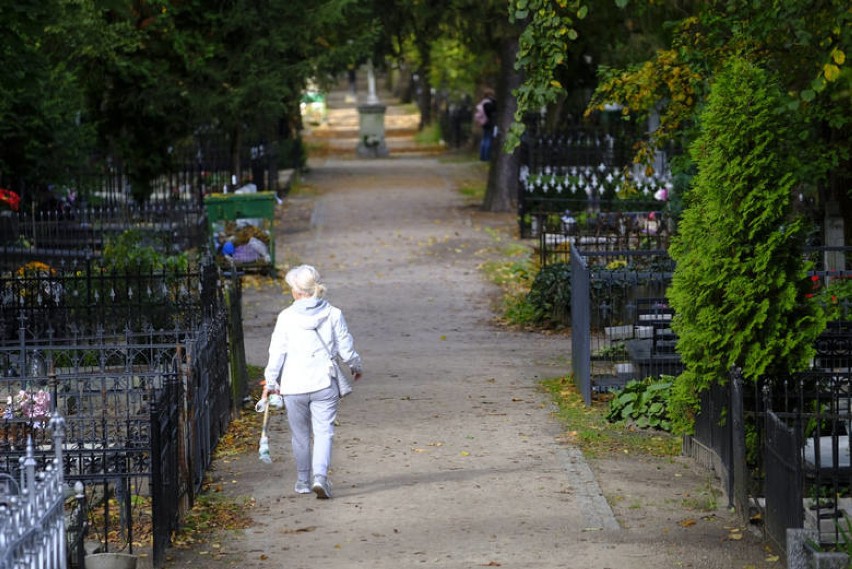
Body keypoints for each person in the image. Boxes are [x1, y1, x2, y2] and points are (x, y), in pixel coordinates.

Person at [258, 264, 363, 499]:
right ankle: (320, 478)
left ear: (296, 291)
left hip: (293, 385)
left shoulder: (286, 318)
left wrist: (271, 382)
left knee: (300, 435)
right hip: (323, 382)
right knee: (324, 432)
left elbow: (277, 353)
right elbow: (346, 349)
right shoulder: (333, 314)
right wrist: (356, 366)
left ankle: (303, 481)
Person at [475, 89, 497, 161]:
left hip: (484, 123)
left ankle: (482, 156)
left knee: (484, 139)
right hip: (488, 123)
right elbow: (491, 112)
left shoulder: (483, 102)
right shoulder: (488, 104)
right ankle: (486, 157)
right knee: (488, 140)